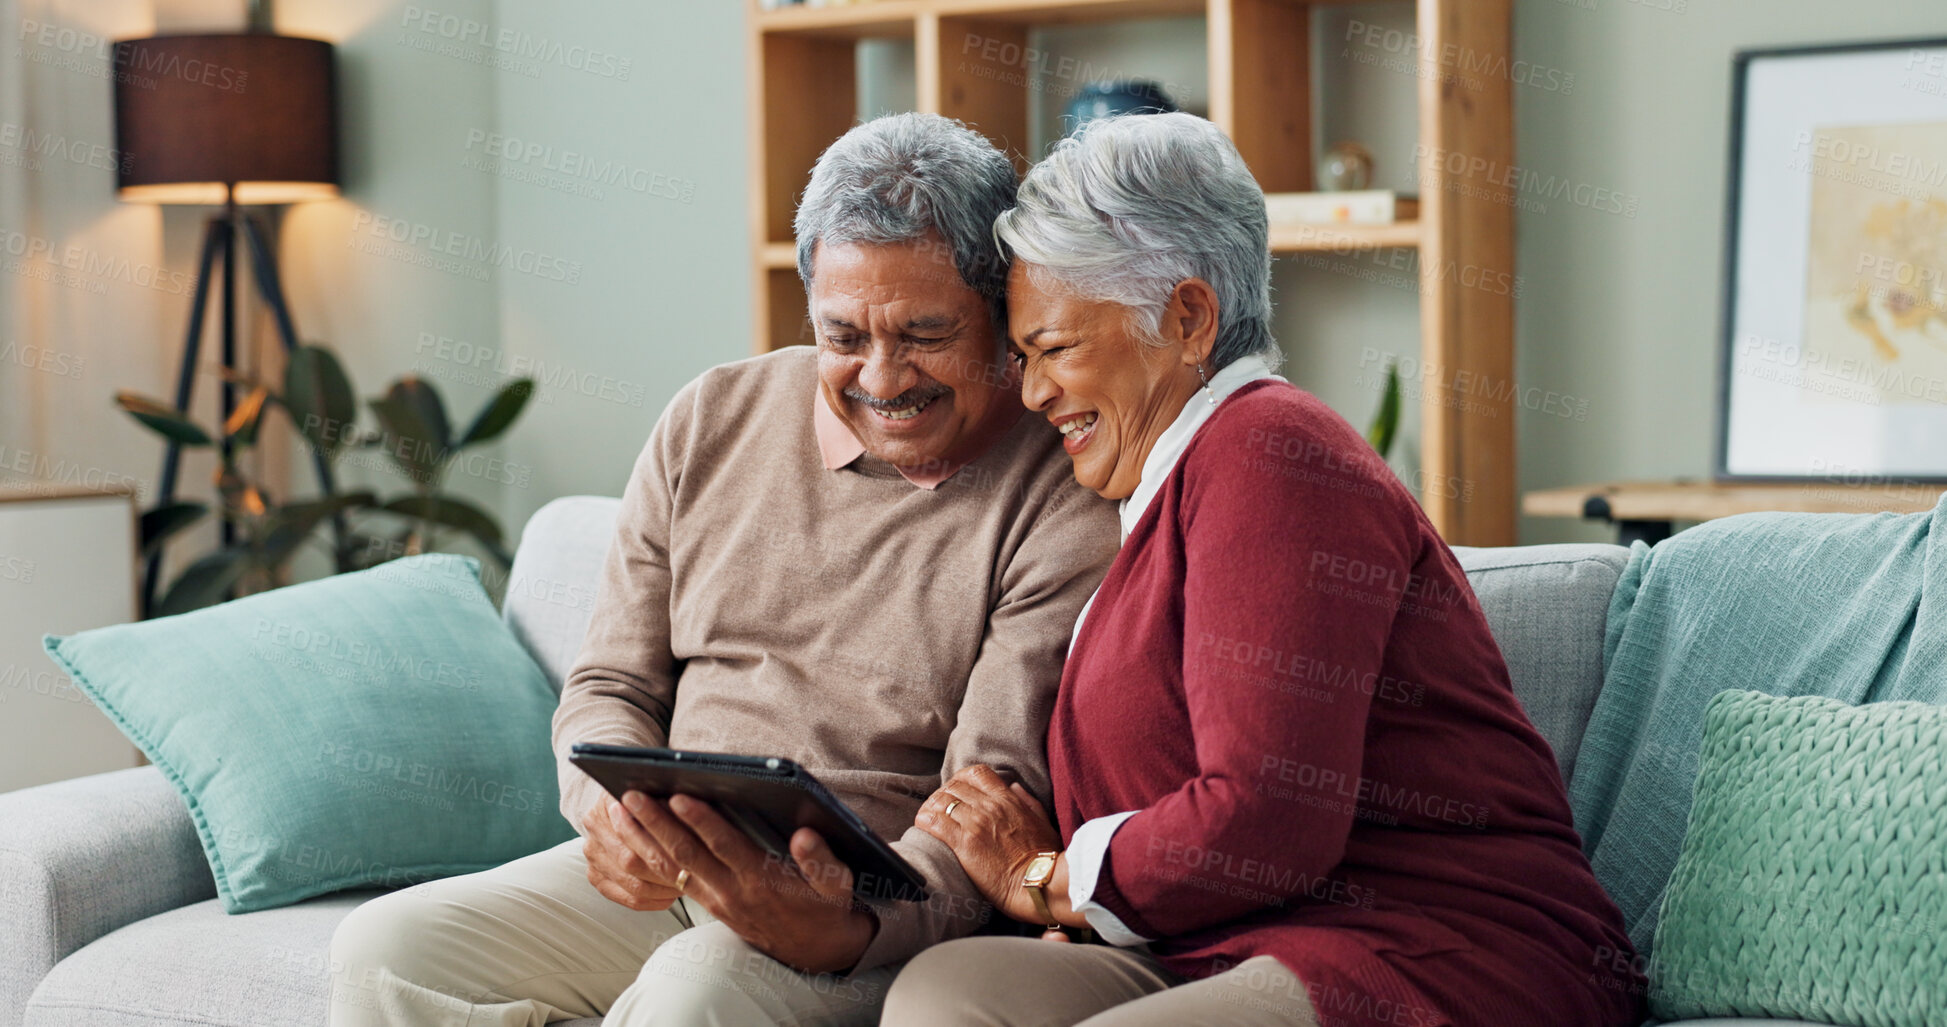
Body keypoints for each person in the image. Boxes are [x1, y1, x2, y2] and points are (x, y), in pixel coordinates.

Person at [325, 112, 1120, 1027]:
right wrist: (606, 813)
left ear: (1000, 318)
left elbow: (987, 805)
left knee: (691, 996)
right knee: (386, 952)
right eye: (844, 335)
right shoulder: (712, 414)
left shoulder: (1061, 492)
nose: (884, 376)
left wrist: (848, 926)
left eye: (925, 334)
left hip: (864, 908)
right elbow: (607, 683)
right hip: (671, 864)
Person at [879, 112, 1646, 1027]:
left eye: (1055, 349)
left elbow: (1269, 812)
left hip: (1434, 948)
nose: (1035, 391)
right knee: (948, 993)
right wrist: (1093, 919)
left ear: (1188, 316)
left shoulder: (1272, 455)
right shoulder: (1161, 492)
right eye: (1023, 357)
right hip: (1227, 943)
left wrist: (1048, 880)